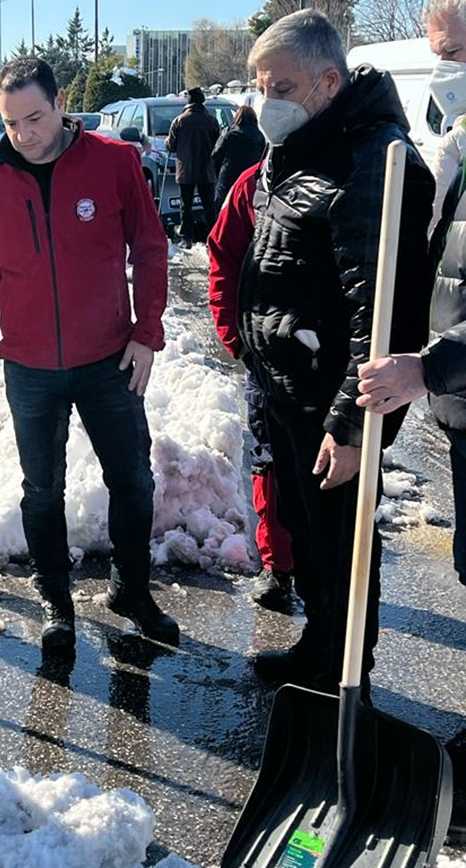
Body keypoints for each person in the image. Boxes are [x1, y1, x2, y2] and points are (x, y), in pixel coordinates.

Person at [240, 10, 434, 695]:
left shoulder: (372, 160)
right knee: (305, 530)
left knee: (340, 543)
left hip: (334, 400)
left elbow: (382, 313)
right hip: (289, 385)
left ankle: (347, 678)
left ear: (328, 80)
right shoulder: (298, 147)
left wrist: (353, 428)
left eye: (281, 86)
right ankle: (321, 646)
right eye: (261, 85)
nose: (268, 102)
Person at [0, 57, 181, 652]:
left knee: (132, 481)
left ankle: (131, 589)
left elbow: (151, 245)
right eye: (11, 124)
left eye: (34, 117)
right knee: (41, 489)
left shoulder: (114, 164)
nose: (24, 134)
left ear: (61, 103)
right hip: (30, 367)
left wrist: (147, 331)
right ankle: (56, 601)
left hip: (108, 358)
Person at [358, 0, 466, 840]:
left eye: (458, 53)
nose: (446, 74)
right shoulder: (456, 146)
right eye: (440, 57)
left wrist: (428, 367)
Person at [208, 164, 295, 610]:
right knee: (271, 462)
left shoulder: (359, 167)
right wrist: (237, 340)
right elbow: (222, 255)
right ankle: (278, 569)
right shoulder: (255, 183)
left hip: (337, 362)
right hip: (267, 361)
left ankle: (335, 584)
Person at [165, 86, 220, 248]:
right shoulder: (211, 120)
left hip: (185, 169)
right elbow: (218, 143)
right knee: (209, 205)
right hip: (206, 169)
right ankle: (214, 238)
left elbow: (171, 145)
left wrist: (169, 144)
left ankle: (186, 238)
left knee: (186, 205)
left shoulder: (180, 120)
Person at [211, 105, 265, 211]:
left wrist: (217, 172)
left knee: (224, 207)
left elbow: (216, 154)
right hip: (250, 177)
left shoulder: (229, 133)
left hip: (228, 176)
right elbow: (263, 158)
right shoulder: (259, 136)